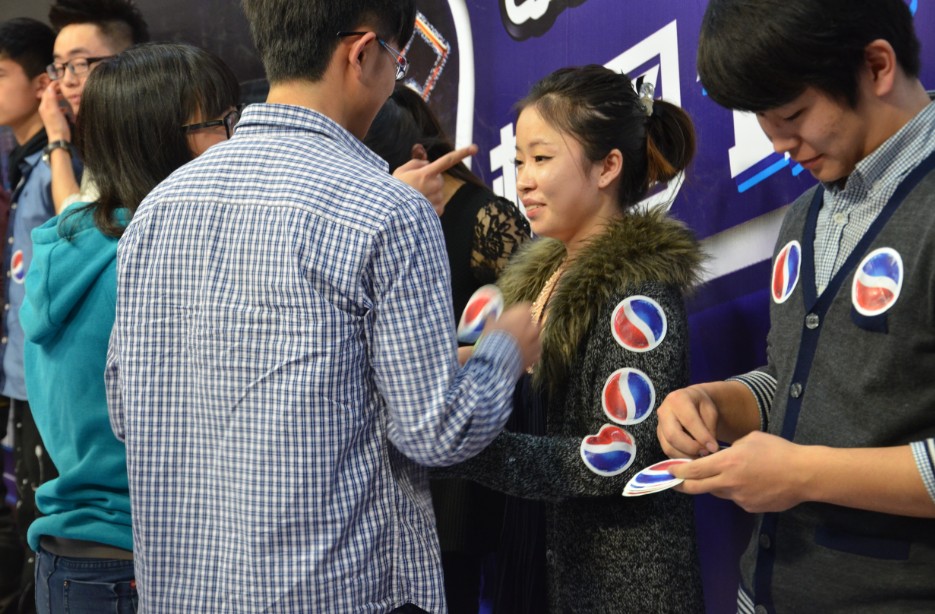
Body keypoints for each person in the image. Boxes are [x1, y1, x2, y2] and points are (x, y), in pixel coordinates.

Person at [104, 1, 541, 612]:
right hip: (335, 592)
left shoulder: (158, 210)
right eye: (397, 62)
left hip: (183, 593)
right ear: (362, 53)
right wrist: (504, 349)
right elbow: (436, 430)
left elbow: (127, 410)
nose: (394, 79)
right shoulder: (387, 210)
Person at [656, 1, 935, 612]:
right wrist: (716, 402)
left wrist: (803, 474)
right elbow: (792, 384)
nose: (780, 144)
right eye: (764, 120)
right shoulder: (807, 214)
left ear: (877, 66)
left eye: (792, 115)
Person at [441, 65, 705, 612]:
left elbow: (619, 454)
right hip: (534, 566)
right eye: (519, 161)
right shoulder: (536, 282)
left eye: (541, 158)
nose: (523, 180)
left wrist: (463, 448)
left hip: (615, 589)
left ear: (608, 166)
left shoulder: (639, 294)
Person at [21, 42, 240, 614]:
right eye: (220, 123)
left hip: (74, 557)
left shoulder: (73, 241)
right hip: (138, 563)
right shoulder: (151, 260)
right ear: (157, 138)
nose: (235, 140)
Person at [365, 85, 531, 612]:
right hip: (395, 457)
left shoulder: (485, 218)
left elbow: (534, 324)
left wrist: (481, 355)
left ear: (420, 160)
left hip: (464, 443)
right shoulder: (377, 229)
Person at [0, 18, 70, 614]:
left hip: (49, 376)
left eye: (1, 74)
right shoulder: (23, 162)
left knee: (42, 513)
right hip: (20, 371)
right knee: (24, 506)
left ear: (41, 82)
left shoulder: (59, 164)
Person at [39, 0, 149, 213]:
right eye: (60, 67)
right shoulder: (101, 132)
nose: (67, 80)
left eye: (80, 64)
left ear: (128, 60)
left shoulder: (137, 134)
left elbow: (76, 222)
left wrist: (57, 140)